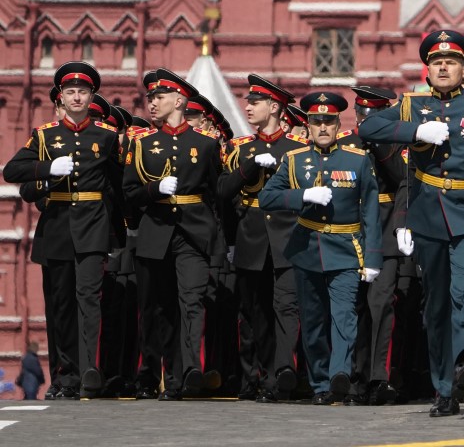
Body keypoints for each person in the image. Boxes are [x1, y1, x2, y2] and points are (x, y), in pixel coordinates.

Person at [359, 29, 464, 417]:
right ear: (427, 70)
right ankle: (444, 390)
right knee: (435, 305)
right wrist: (414, 131)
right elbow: (367, 128)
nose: (443, 67)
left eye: (450, 61)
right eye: (436, 62)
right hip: (428, 214)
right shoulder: (410, 105)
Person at [3, 62, 122, 400]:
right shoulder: (44, 136)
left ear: (91, 96)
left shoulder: (107, 136)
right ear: (61, 97)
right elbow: (13, 170)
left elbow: (118, 187)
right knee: (61, 306)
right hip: (56, 227)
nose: (76, 97)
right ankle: (64, 377)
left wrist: (120, 235)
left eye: (83, 92)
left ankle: (88, 372)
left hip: (93, 228)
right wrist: (46, 168)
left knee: (88, 300)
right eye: (70, 92)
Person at [261, 91, 382, 405]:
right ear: (309, 125)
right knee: (313, 322)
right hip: (307, 248)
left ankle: (339, 374)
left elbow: (370, 209)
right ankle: (319, 384)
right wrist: (301, 196)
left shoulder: (357, 159)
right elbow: (266, 198)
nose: (323, 127)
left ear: (338, 123)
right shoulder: (294, 160)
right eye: (317, 122)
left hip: (345, 248)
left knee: (344, 317)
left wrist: (372, 257)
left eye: (329, 121)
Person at [122, 69, 223, 400]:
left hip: (192, 234)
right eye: (151, 98)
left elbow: (217, 193)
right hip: (156, 232)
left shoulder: (206, 145)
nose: (152, 103)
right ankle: (158, 375)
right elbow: (129, 193)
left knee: (191, 301)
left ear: (180, 100)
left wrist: (221, 240)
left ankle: (188, 371)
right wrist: (154, 189)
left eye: (159, 97)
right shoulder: (142, 144)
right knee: (157, 308)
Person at [217, 74, 306, 402]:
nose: (248, 107)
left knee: (286, 308)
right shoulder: (242, 149)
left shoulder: (298, 150)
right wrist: (250, 167)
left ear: (275, 107)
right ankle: (251, 377)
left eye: (255, 102)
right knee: (252, 313)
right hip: (251, 237)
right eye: (249, 102)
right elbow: (223, 192)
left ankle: (281, 374)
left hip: (288, 238)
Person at [348, 85, 408, 406]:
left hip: (385, 232)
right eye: (362, 114)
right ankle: (353, 377)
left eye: (373, 116)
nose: (365, 120)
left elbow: (403, 178)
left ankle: (377, 378)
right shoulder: (347, 141)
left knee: (381, 306)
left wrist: (382, 144)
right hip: (353, 232)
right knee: (352, 309)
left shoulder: (396, 144)